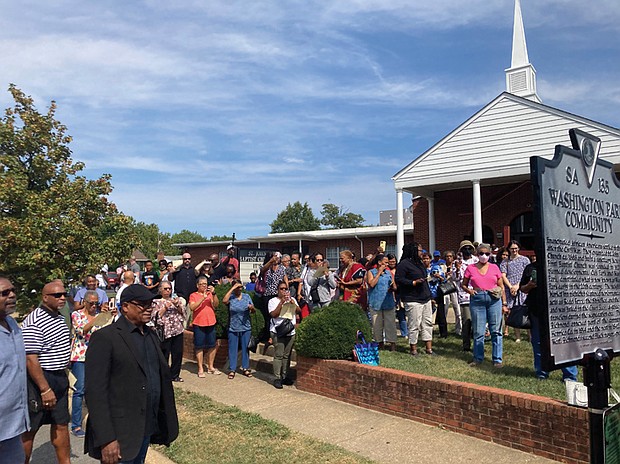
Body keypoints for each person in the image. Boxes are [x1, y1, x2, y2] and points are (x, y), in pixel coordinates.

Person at [84, 284, 178, 464]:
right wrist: (107, 438)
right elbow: (95, 393)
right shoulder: (106, 338)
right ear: (125, 307)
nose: (148, 308)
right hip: (120, 433)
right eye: (142, 304)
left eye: (150, 303)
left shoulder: (150, 335)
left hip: (145, 428)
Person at [21, 280, 72, 464]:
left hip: (59, 376)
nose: (62, 298)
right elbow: (30, 358)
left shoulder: (59, 318)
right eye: (57, 295)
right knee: (29, 430)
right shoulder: (34, 321)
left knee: (61, 424)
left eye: (64, 294)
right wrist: (44, 389)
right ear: (45, 297)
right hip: (39, 379)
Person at [519, 262, 578, 382]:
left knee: (563, 342)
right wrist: (530, 285)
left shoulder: (562, 265)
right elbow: (522, 288)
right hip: (537, 311)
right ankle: (542, 372)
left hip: (559, 311)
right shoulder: (531, 268)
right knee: (539, 343)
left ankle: (569, 375)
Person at [70, 290, 111, 438]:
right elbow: (82, 331)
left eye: (97, 303)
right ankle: (76, 425)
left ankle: (97, 423)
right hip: (80, 356)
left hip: (96, 356)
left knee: (95, 390)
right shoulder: (77, 315)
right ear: (84, 302)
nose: (94, 306)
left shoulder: (100, 315)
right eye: (91, 303)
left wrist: (110, 315)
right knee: (79, 389)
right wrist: (97, 318)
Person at [462, 244, 507, 368]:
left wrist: (504, 303)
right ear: (477, 254)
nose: (484, 256)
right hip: (477, 300)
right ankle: (478, 358)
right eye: (481, 253)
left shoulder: (494, 268)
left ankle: (497, 359)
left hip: (494, 300)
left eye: (487, 254)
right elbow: (464, 284)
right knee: (478, 331)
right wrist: (470, 291)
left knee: (496, 331)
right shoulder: (470, 268)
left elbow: (501, 286)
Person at [0, 276, 29, 464]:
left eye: (13, 291)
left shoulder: (13, 325)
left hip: (13, 426)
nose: (12, 295)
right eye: (4, 293)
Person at [395, 242, 435, 356]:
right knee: (414, 325)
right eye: (419, 251)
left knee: (427, 323)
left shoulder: (420, 264)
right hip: (413, 299)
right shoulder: (403, 264)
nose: (421, 253)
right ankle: (413, 349)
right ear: (413, 251)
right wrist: (413, 282)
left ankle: (429, 349)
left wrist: (430, 297)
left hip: (425, 298)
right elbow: (399, 279)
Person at [152, 282, 186, 383]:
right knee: (164, 354)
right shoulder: (156, 302)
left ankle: (175, 375)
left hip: (177, 330)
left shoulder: (176, 300)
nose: (168, 291)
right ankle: (164, 375)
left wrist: (177, 306)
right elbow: (155, 316)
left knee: (177, 354)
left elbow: (183, 313)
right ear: (160, 290)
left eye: (169, 289)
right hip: (165, 331)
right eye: (165, 289)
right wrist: (165, 307)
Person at [269, 282, 301, 389]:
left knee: (287, 355)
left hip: (290, 331)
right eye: (281, 289)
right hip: (278, 331)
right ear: (277, 290)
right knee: (279, 355)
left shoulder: (292, 299)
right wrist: (281, 303)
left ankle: (285, 375)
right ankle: (277, 378)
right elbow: (273, 314)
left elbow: (299, 311)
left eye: (285, 289)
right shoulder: (272, 301)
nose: (283, 291)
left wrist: (293, 303)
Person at [222, 280, 255, 379]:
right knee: (233, 349)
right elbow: (224, 301)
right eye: (237, 287)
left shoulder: (246, 296)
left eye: (240, 287)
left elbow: (253, 311)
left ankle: (245, 368)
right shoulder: (231, 297)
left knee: (245, 348)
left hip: (245, 327)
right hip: (233, 327)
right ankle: (232, 369)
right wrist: (232, 288)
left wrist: (251, 308)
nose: (239, 289)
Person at [189, 276, 220, 377]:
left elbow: (216, 305)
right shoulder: (193, 295)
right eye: (202, 284)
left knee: (212, 345)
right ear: (197, 285)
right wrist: (202, 298)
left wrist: (214, 294)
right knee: (199, 346)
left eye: (205, 284)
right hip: (199, 323)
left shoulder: (210, 294)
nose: (204, 286)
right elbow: (192, 307)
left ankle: (211, 366)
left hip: (211, 322)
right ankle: (200, 368)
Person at [500, 240, 530, 342]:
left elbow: (527, 274)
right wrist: (511, 287)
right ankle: (517, 336)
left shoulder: (525, 260)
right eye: (512, 248)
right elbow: (503, 275)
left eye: (516, 248)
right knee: (514, 312)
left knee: (526, 311)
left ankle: (529, 335)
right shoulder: (505, 262)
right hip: (510, 289)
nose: (514, 250)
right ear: (509, 249)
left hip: (522, 288)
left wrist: (518, 286)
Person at [366, 254, 397, 351]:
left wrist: (393, 287)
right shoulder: (371, 272)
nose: (387, 264)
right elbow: (371, 284)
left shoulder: (389, 273)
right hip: (376, 302)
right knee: (377, 325)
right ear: (379, 263)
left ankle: (392, 343)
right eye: (386, 262)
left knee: (390, 324)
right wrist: (379, 273)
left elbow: (395, 287)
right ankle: (379, 343)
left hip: (388, 302)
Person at [258, 252, 288, 342]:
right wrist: (270, 261)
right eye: (275, 257)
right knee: (269, 316)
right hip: (267, 294)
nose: (276, 259)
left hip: (278, 294)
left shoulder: (282, 268)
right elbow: (262, 270)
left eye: (278, 257)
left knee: (280, 314)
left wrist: (286, 290)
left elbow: (285, 278)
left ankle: (280, 333)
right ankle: (269, 336)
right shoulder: (266, 267)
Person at [455, 240, 478, 351]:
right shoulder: (458, 262)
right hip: (465, 296)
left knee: (477, 320)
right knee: (467, 320)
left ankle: (478, 344)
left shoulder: (477, 261)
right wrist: (458, 269)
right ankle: (466, 345)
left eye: (469, 248)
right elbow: (456, 279)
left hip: (477, 294)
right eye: (465, 248)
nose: (467, 250)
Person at [443, 250, 462, 336]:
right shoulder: (442, 266)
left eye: (450, 256)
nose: (449, 258)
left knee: (457, 309)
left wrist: (454, 272)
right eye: (447, 256)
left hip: (455, 288)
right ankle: (444, 330)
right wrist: (445, 274)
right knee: (445, 309)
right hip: (446, 289)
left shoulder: (456, 266)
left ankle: (459, 329)